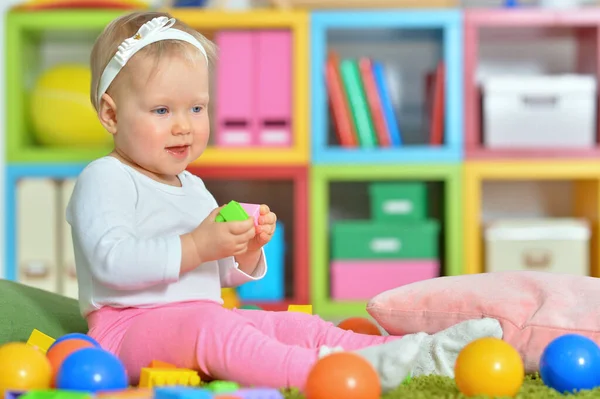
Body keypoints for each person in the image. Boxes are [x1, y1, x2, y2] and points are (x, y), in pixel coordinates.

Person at [66, 10, 503, 393]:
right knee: (215, 329)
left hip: (197, 316)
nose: (184, 126)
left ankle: (414, 353)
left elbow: (214, 276)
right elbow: (112, 262)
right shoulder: (105, 177)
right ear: (111, 114)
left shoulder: (192, 184)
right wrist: (199, 244)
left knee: (290, 323)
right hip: (126, 330)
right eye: (162, 111)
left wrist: (245, 248)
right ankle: (338, 370)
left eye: (197, 109)